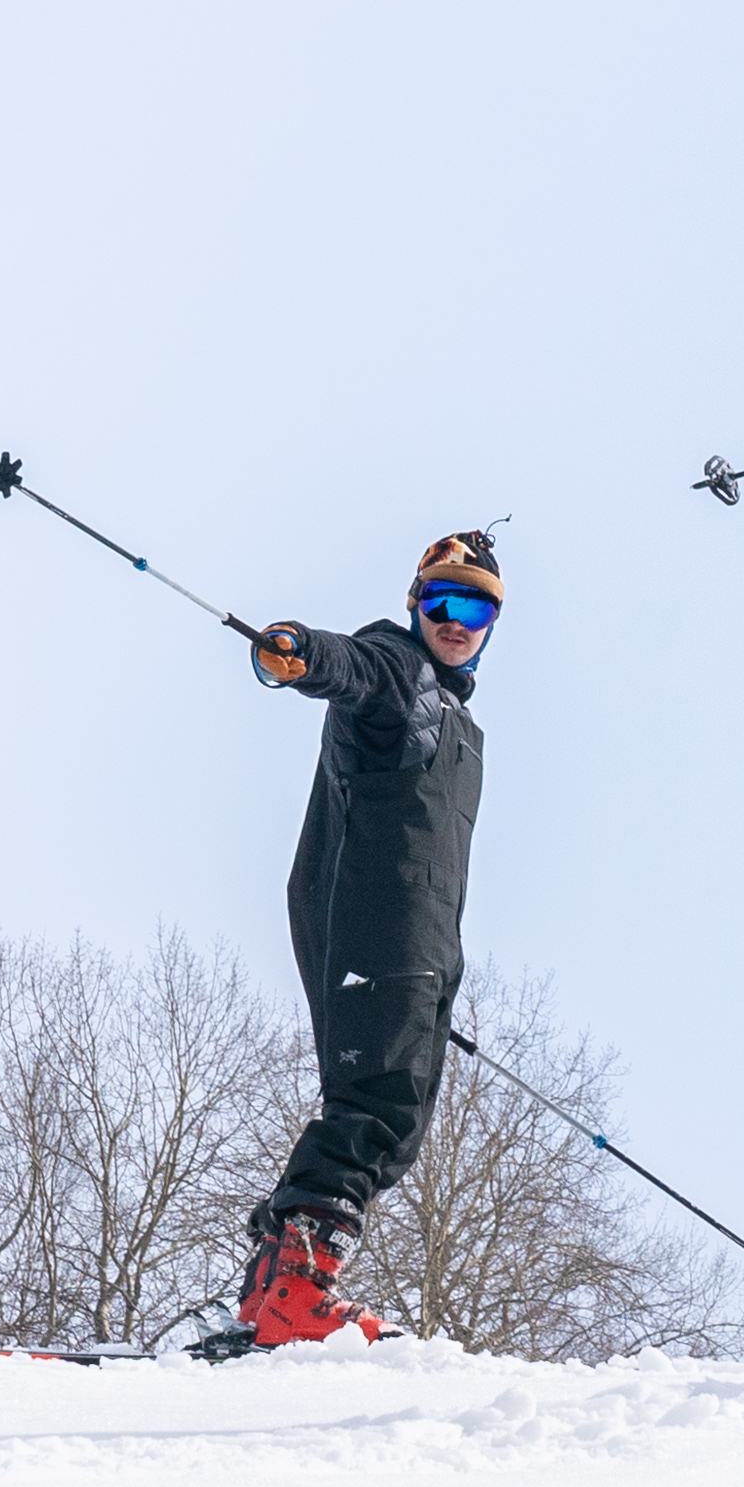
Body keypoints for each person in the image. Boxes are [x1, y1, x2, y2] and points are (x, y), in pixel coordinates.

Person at [226, 530, 503, 1348]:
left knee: (398, 1114)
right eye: (443, 601)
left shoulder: (458, 721)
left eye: (477, 606)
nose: (457, 620)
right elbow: (345, 664)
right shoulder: (399, 669)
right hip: (379, 916)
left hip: (420, 934)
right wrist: (296, 653)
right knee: (376, 1101)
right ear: (416, 602)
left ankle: (275, 1280)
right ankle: (296, 1288)